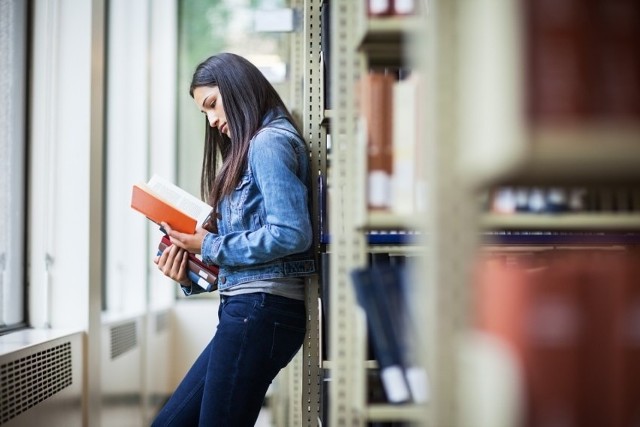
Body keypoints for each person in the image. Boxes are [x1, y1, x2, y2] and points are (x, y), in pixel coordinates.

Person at [151, 52, 316, 427]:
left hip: (261, 310)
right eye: (204, 113)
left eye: (212, 105)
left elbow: (291, 232)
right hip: (248, 308)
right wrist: (190, 272)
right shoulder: (255, 146)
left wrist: (206, 246)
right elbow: (250, 247)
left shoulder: (267, 143)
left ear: (238, 88)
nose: (211, 121)